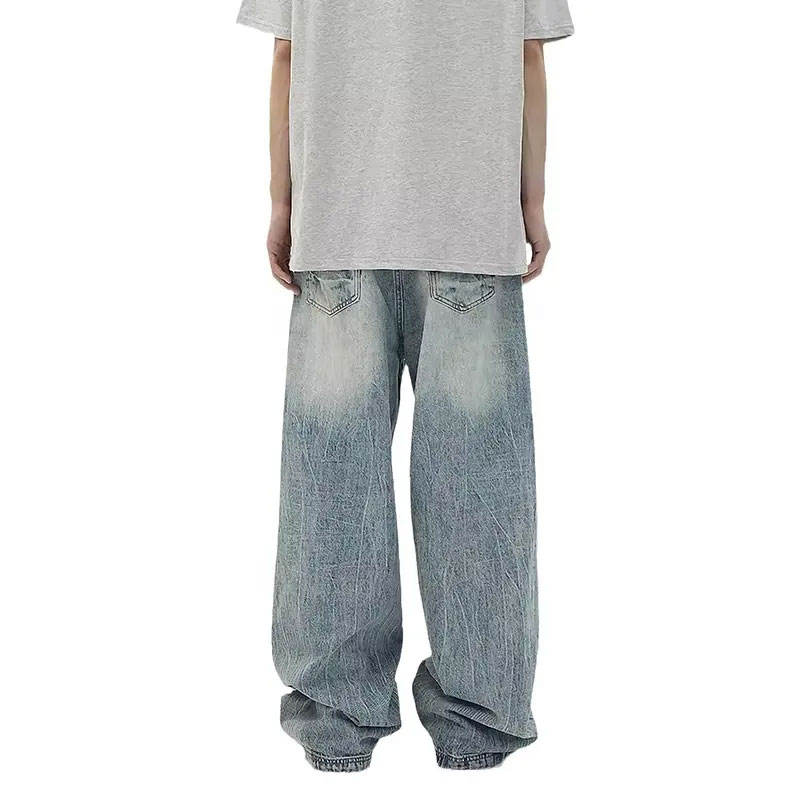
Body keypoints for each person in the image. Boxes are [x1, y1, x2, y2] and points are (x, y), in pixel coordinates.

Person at [237, 0, 573, 772]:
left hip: (339, 226)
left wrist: (283, 203)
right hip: (471, 233)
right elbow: (528, 58)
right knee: (479, 493)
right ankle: (479, 722)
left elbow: (287, 56)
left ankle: (335, 720)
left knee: (331, 492)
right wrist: (532, 204)